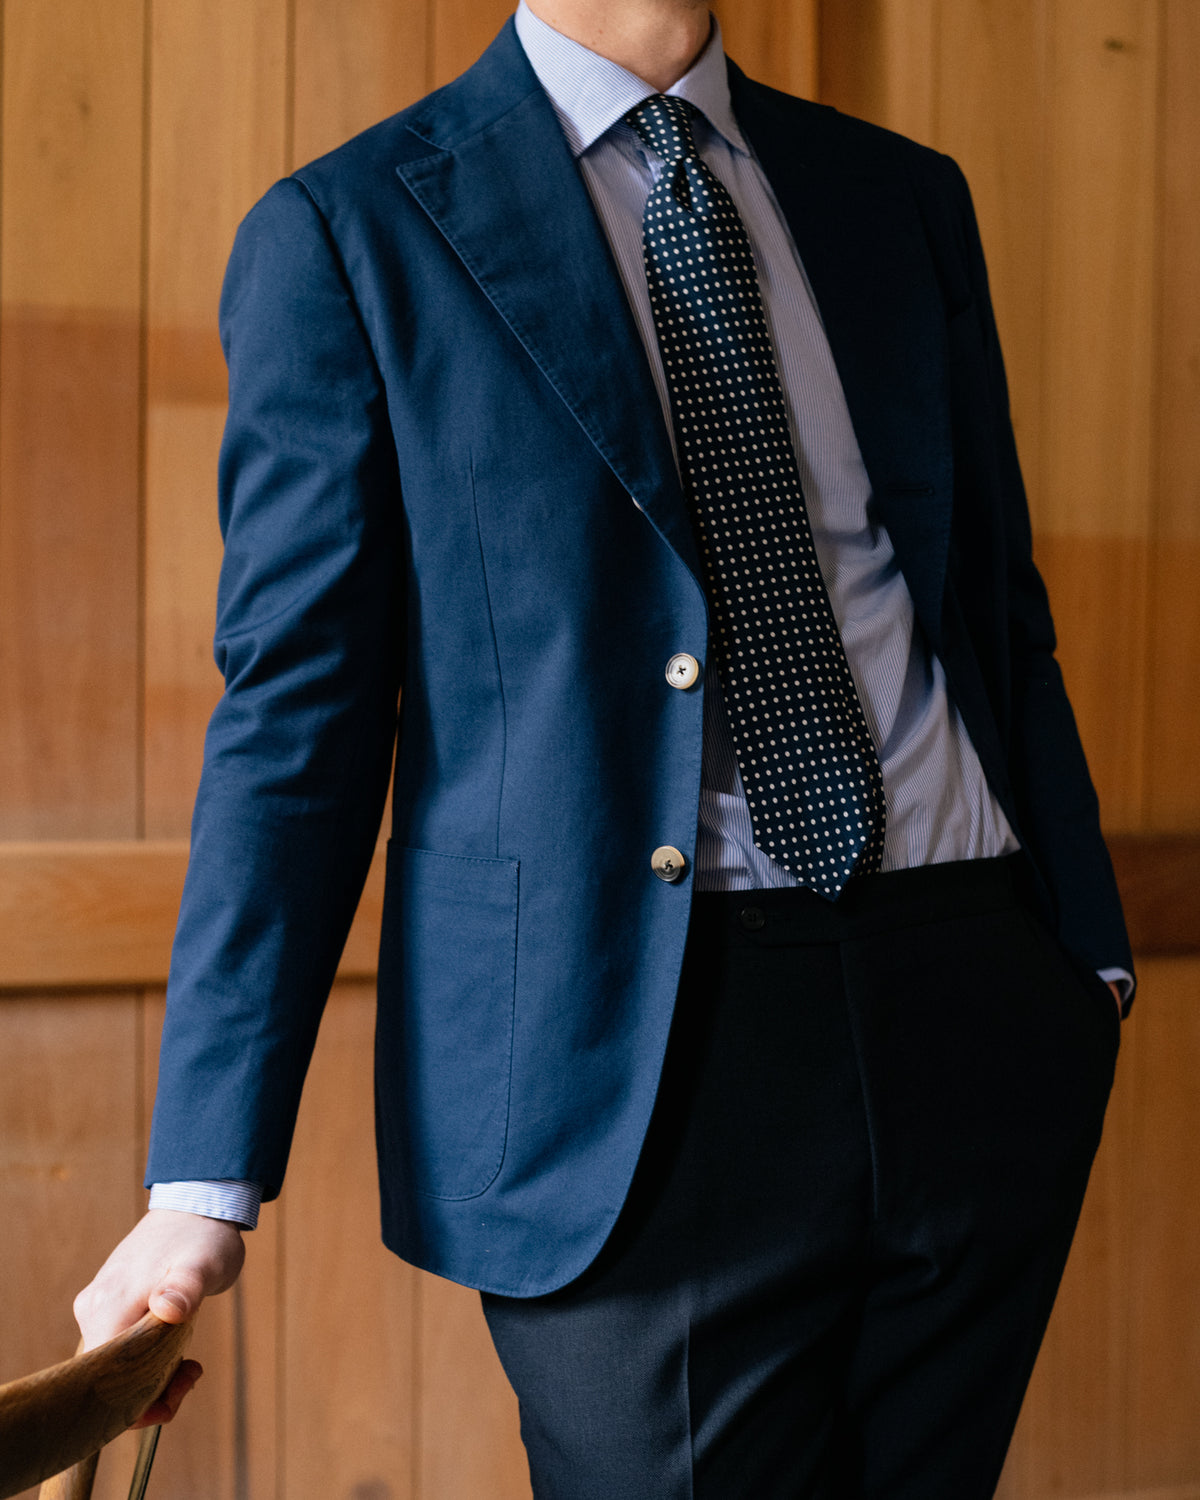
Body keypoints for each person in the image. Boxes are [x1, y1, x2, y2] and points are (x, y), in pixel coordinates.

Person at [75, 1, 1133, 1493]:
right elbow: (291, 724)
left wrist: (1082, 957)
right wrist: (204, 1180)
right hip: (632, 1068)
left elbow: (993, 604)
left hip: (972, 998)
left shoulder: (899, 194)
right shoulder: (351, 230)